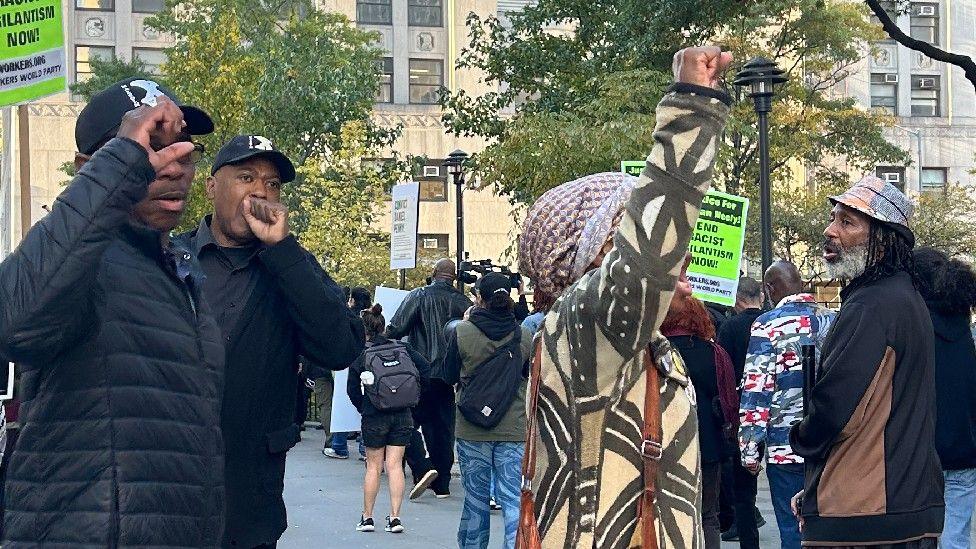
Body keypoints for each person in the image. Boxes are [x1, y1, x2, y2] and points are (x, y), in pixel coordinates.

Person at [517, 46, 733, 548]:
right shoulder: (588, 322)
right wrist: (692, 108)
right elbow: (648, 260)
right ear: (599, 258)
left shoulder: (623, 338)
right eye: (631, 235)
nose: (682, 251)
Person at [0, 79, 226, 547]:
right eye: (152, 147)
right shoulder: (80, 263)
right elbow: (14, 322)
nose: (173, 165)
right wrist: (125, 160)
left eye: (183, 149)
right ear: (93, 166)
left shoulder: (180, 274)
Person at [175, 134, 365, 548]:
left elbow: (342, 346)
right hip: (168, 498)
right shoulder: (170, 259)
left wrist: (283, 251)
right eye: (246, 177)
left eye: (273, 183)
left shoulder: (291, 267)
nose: (261, 191)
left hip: (249, 506)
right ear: (211, 187)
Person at [790, 175, 943, 548]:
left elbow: (836, 410)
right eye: (833, 218)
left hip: (865, 515)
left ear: (883, 239)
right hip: (905, 506)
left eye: (847, 222)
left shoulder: (872, 305)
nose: (830, 231)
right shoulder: (902, 298)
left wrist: (801, 436)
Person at [738, 260, 835, 549]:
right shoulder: (832, 319)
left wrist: (750, 450)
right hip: (830, 445)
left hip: (786, 448)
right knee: (829, 530)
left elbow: (757, 388)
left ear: (769, 289)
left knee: (793, 531)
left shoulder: (767, 325)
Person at [441, 273, 533, 549]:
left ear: (480, 299)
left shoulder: (463, 332)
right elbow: (527, 376)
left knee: (476, 501)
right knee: (512, 502)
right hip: (513, 429)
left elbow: (447, 375)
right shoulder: (524, 335)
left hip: (472, 429)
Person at [387, 259, 472, 497]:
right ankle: (442, 482)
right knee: (442, 428)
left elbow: (396, 328)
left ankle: (421, 469)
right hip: (446, 375)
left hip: (418, 372)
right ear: (453, 278)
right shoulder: (462, 303)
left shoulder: (419, 295)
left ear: (434, 273)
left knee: (406, 423)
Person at [661, 293, 739, 549]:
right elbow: (727, 400)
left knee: (671, 513)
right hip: (709, 445)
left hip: (666, 444)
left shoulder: (656, 352)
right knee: (708, 515)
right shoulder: (714, 353)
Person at [347, 304, 431, 535]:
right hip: (403, 414)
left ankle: (367, 518)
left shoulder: (361, 354)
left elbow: (352, 390)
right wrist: (413, 397)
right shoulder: (403, 349)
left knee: (373, 467)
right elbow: (425, 370)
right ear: (383, 326)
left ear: (363, 331)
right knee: (395, 466)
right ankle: (395, 518)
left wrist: (366, 406)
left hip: (374, 415)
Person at [913, 248, 976, 549]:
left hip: (921, 450)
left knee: (916, 536)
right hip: (965, 446)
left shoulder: (912, 322)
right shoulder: (965, 326)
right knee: (956, 538)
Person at [717, 276, 766, 546]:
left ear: (736, 299)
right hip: (775, 408)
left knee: (744, 488)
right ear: (759, 294)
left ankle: (750, 540)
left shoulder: (730, 327)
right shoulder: (770, 322)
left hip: (742, 412)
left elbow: (722, 371)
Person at [323, 287, 372, 460]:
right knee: (369, 404)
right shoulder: (371, 316)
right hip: (370, 363)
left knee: (342, 403)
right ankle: (366, 448)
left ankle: (339, 446)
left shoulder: (346, 315)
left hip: (348, 362)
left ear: (352, 299)